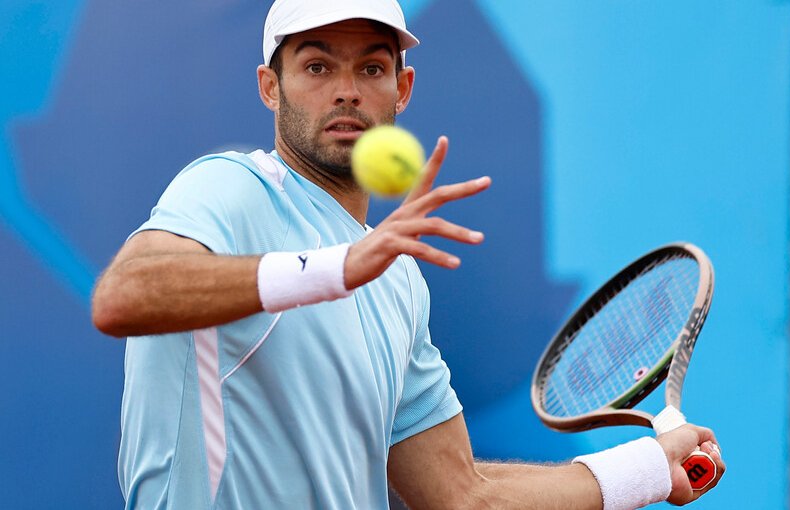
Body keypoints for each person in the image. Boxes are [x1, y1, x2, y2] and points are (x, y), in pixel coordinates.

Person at [91, 0, 725, 508]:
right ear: (269, 87)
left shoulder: (398, 284)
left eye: (371, 68)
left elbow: (461, 494)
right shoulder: (233, 186)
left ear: (403, 88)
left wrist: (645, 470)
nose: (346, 91)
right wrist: (338, 269)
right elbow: (124, 296)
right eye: (316, 67)